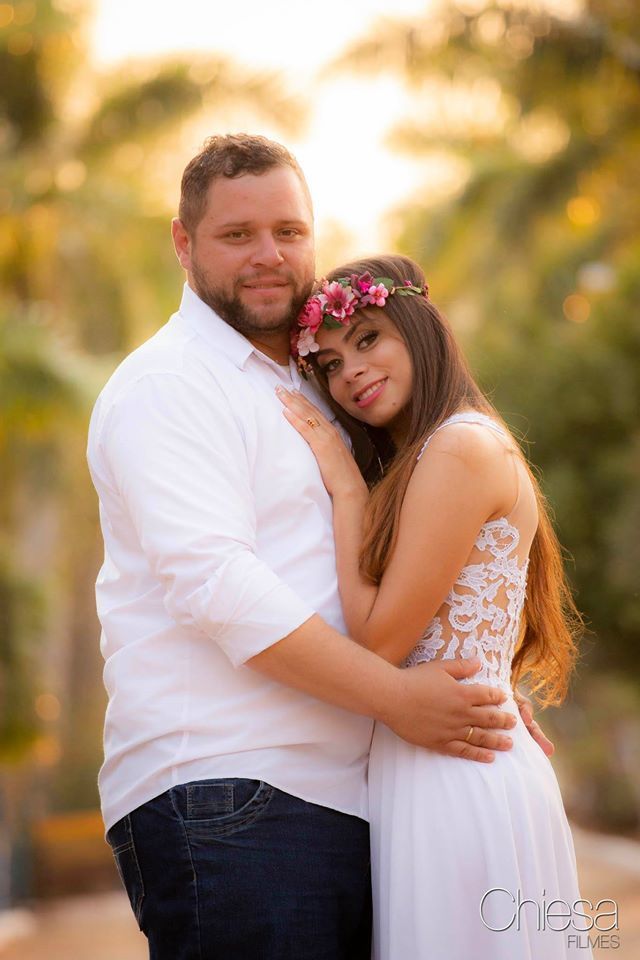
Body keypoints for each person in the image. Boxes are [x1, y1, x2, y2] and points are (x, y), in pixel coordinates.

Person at [87, 134, 546, 959]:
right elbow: (219, 587)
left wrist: (474, 683)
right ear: (183, 243)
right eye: (237, 235)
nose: (269, 255)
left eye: (289, 232)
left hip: (357, 796)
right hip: (230, 791)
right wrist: (400, 697)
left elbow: (416, 560)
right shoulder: (169, 384)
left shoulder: (321, 385)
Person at [279, 253, 590, 959]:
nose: (350, 372)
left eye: (368, 339)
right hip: (438, 762)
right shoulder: (428, 458)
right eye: (329, 364)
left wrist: (346, 489)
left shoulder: (458, 448)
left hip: (457, 774)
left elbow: (379, 644)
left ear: (420, 330)